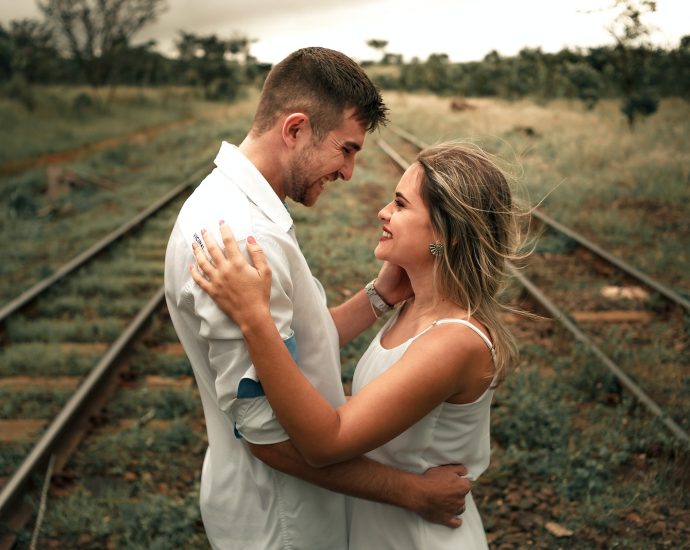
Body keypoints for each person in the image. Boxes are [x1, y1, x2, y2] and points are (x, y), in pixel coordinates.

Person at [164, 47, 471, 550]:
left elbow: (290, 351)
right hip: (283, 521)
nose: (348, 172)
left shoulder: (237, 208)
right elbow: (270, 438)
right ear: (295, 129)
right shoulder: (239, 238)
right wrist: (413, 493)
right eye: (346, 149)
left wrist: (379, 296)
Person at [190, 141, 523, 549]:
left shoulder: (454, 341)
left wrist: (255, 318)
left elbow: (324, 443)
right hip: (384, 529)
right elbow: (334, 362)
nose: (384, 212)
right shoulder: (414, 307)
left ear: (447, 234)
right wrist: (379, 296)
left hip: (420, 537)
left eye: (401, 205)